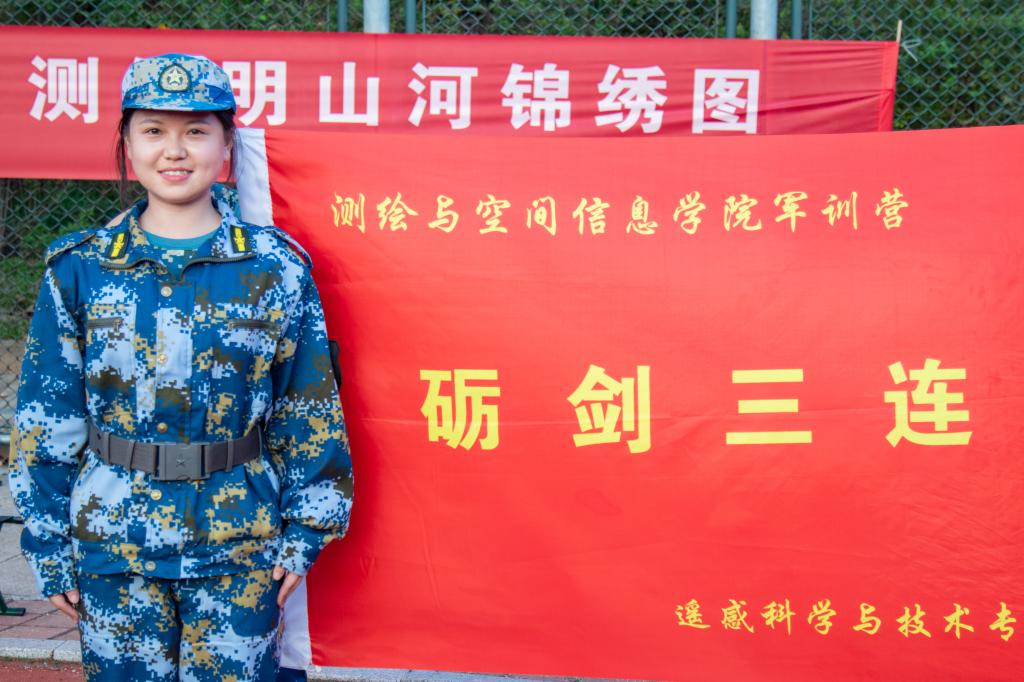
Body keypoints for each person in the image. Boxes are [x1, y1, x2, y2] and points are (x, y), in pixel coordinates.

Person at [9, 53, 353, 681]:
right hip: (113, 542)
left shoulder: (274, 268)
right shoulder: (81, 268)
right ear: (127, 143)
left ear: (227, 144)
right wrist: (48, 542)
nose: (174, 150)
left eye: (196, 131)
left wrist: (307, 529)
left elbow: (308, 409)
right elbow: (46, 417)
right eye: (153, 130)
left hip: (239, 544)